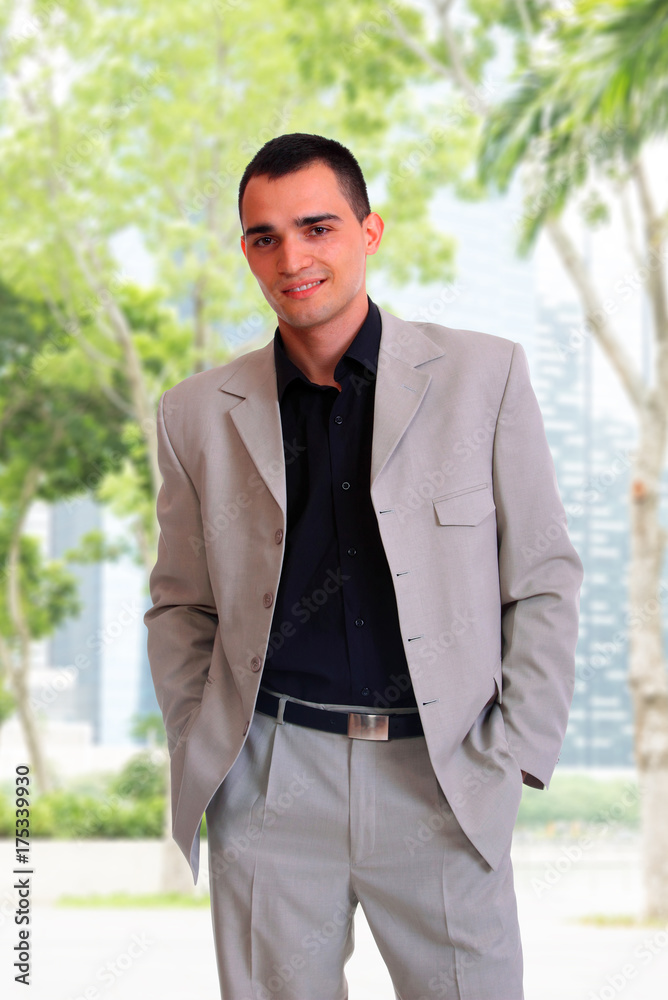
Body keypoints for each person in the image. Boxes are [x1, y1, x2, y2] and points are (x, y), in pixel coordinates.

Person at [144, 132, 583, 1000]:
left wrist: (511, 754)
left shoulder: (484, 376)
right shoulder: (194, 413)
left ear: (369, 232)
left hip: (444, 774)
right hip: (270, 775)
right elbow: (181, 606)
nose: (292, 258)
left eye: (318, 227)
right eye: (265, 237)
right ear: (246, 252)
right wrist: (205, 742)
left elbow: (542, 578)